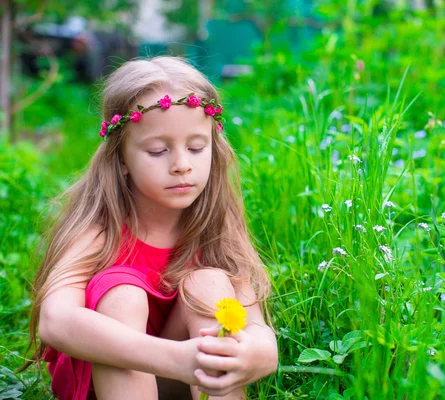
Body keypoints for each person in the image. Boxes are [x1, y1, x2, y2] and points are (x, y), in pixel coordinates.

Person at [20, 56, 278, 400]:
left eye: (197, 147)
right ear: (121, 159)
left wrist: (256, 354)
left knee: (208, 281)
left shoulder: (213, 226)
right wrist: (175, 359)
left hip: (186, 375)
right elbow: (55, 321)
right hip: (109, 378)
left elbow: (257, 330)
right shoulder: (100, 230)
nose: (182, 165)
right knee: (122, 294)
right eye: (158, 150)